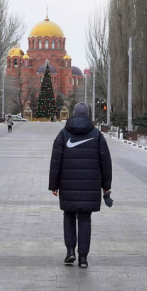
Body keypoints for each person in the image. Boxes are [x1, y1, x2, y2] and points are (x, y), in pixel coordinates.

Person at [48, 103, 112, 268]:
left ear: (73, 114)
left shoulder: (63, 134)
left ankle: (70, 252)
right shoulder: (97, 135)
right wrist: (106, 186)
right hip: (90, 186)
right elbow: (106, 162)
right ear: (87, 115)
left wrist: (53, 185)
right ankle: (83, 258)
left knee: (69, 216)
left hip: (67, 185)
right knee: (85, 219)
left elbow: (56, 161)